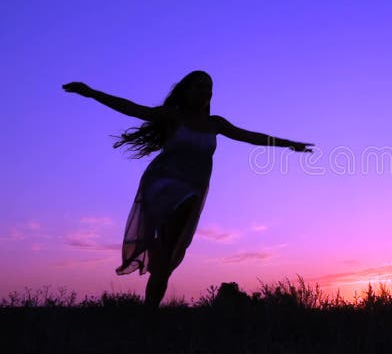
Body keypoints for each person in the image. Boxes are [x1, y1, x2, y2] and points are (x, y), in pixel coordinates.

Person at [62, 70, 314, 309]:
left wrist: (288, 144)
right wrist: (92, 92)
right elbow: (132, 108)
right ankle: (152, 298)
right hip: (163, 184)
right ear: (186, 91)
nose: (206, 91)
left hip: (193, 189)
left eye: (209, 88)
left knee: (167, 257)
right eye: (200, 86)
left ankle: (149, 309)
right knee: (180, 215)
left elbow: (249, 136)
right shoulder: (173, 116)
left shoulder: (216, 123)